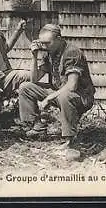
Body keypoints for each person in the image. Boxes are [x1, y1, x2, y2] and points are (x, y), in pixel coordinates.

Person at [17, 24, 95, 159]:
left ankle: (70, 141)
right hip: (60, 91)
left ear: (59, 39)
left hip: (81, 97)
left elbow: (72, 86)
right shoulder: (50, 52)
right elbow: (34, 79)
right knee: (25, 87)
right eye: (42, 43)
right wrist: (34, 57)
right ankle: (37, 127)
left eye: (48, 43)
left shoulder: (71, 52)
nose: (44, 46)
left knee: (65, 95)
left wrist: (49, 98)